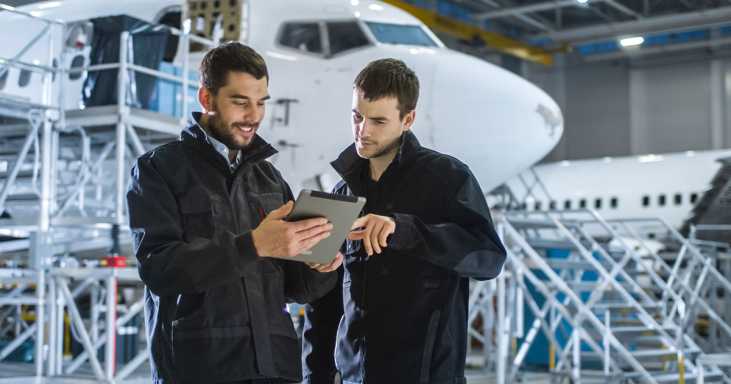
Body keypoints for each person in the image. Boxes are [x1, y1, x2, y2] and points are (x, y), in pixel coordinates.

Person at [127, 42, 341, 384]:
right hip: (200, 368)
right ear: (207, 99)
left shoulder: (269, 178)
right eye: (240, 102)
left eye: (260, 103)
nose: (253, 116)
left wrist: (320, 266)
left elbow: (294, 287)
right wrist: (253, 245)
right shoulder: (160, 169)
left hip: (275, 368)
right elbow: (160, 269)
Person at [302, 58, 507, 384]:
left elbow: (489, 259)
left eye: (378, 121)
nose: (363, 131)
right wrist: (315, 377)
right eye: (357, 116)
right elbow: (323, 305)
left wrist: (406, 230)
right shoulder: (340, 195)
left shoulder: (447, 178)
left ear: (407, 119)